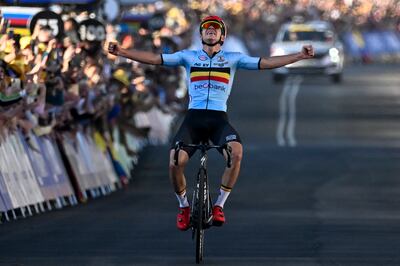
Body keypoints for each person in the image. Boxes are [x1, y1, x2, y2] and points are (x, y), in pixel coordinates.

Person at [106, 15, 314, 231]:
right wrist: (122, 52)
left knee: (237, 153)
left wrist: (299, 55)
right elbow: (154, 58)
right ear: (201, 34)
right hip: (193, 119)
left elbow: (268, 63)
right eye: (207, 29)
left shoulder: (233, 58)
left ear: (222, 36)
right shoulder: (188, 57)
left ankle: (219, 206)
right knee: (174, 162)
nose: (211, 31)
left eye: (215, 29)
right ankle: (184, 207)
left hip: (217, 120)